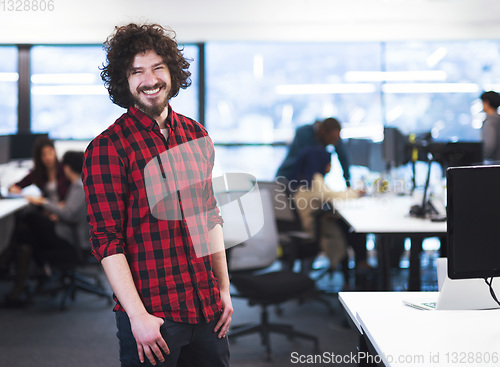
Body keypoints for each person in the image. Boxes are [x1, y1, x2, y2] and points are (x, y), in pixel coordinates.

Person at [82, 23, 232, 367]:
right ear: (125, 80)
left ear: (172, 72)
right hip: (154, 317)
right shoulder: (108, 148)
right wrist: (137, 316)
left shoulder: (197, 135)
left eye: (157, 68)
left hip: (207, 309)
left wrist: (223, 289)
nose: (149, 80)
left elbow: (210, 216)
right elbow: (107, 241)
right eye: (137, 71)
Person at [3, 151, 87, 306]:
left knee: (29, 221)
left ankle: (19, 270)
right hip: (71, 233)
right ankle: (32, 272)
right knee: (27, 234)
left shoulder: (78, 187)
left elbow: (68, 214)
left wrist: (42, 202)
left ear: (67, 168)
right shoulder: (79, 185)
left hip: (71, 238)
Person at [289, 147, 369, 288]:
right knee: (349, 230)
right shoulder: (315, 181)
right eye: (329, 162)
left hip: (305, 226)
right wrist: (356, 193)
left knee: (344, 225)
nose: (330, 166)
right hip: (312, 230)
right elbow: (332, 196)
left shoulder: (302, 178)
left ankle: (356, 272)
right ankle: (356, 275)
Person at [276, 117, 351, 186]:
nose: (334, 143)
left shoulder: (333, 135)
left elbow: (343, 157)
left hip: (308, 183)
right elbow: (304, 162)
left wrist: (348, 183)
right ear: (323, 132)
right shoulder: (303, 133)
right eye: (332, 139)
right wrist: (324, 163)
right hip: (288, 178)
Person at [9, 136, 71, 202]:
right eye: (44, 155)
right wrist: (12, 189)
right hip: (47, 209)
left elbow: (75, 192)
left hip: (64, 209)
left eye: (50, 152)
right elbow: (16, 186)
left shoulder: (65, 169)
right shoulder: (38, 173)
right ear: (39, 157)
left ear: (55, 152)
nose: (48, 157)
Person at [480, 90, 500, 162]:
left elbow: (489, 146)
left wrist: (479, 158)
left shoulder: (490, 122)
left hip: (493, 163)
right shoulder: (498, 119)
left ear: (486, 102)